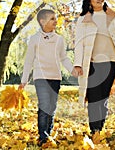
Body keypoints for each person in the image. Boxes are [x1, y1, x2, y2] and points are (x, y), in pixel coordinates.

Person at [73, 0, 115, 137]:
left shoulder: (113, 17)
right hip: (92, 62)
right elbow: (79, 43)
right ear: (89, 0)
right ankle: (94, 129)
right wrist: (78, 64)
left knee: (104, 96)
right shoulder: (83, 19)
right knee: (94, 96)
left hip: (111, 62)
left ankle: (100, 128)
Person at [18, 9, 76, 147]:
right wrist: (24, 80)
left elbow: (64, 58)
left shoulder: (59, 39)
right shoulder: (34, 39)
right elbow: (29, 60)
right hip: (41, 77)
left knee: (52, 106)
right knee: (44, 106)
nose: (55, 21)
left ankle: (48, 133)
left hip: (55, 77)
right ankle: (42, 136)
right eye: (52, 19)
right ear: (42, 21)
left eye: (55, 18)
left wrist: (73, 70)